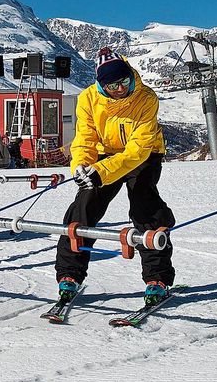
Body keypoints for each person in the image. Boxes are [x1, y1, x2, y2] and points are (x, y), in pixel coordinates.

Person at [54, 48, 175, 306]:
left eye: (124, 82)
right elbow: (85, 138)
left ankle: (158, 277)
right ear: (101, 84)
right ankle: (69, 274)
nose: (120, 89)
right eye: (112, 85)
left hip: (144, 155)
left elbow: (137, 149)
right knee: (83, 206)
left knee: (145, 206)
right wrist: (82, 166)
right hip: (104, 154)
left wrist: (103, 172)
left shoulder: (146, 98)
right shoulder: (88, 99)